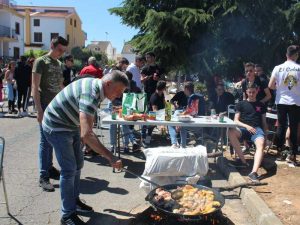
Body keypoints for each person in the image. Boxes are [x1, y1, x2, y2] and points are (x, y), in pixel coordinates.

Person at [42, 71, 126, 225]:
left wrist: (86, 137)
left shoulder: (98, 88)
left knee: (78, 165)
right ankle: (67, 215)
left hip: (71, 124)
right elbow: (87, 134)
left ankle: (73, 201)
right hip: (56, 125)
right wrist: (111, 157)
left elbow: (86, 128)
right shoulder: (91, 94)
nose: (119, 95)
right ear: (108, 84)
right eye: (119, 91)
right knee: (69, 169)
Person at [32, 36, 68, 192]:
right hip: (45, 106)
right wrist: (39, 109)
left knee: (53, 139)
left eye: (63, 51)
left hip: (56, 107)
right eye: (59, 49)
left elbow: (60, 86)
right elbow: (35, 86)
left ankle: (49, 167)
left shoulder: (59, 64)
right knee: (45, 141)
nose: (61, 53)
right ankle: (43, 176)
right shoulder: (41, 61)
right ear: (52, 45)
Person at [228, 83, 268, 182]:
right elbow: (236, 121)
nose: (251, 94)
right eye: (249, 92)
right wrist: (247, 126)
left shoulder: (261, 105)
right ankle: (243, 162)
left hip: (256, 129)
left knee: (261, 143)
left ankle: (253, 172)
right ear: (246, 92)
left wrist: (265, 136)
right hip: (243, 128)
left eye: (253, 92)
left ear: (257, 91)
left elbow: (264, 122)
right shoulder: (241, 104)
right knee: (230, 131)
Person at [269, 45, 300, 163]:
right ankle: (293, 155)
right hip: (296, 102)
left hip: (281, 101)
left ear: (286, 55)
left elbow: (271, 86)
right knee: (294, 127)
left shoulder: (278, 68)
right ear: (296, 55)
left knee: (281, 126)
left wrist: (280, 87)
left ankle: (280, 152)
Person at [169, 82, 205, 148]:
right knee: (178, 116)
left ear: (186, 89)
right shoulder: (199, 96)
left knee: (172, 123)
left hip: (195, 123)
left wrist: (180, 118)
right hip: (200, 121)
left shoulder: (192, 98)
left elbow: (191, 112)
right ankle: (182, 145)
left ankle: (175, 143)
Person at [142, 81, 167, 146]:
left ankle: (148, 140)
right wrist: (161, 122)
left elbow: (164, 104)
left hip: (159, 114)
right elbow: (154, 110)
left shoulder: (162, 94)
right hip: (151, 115)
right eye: (165, 87)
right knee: (150, 129)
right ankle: (146, 142)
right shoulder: (154, 97)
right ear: (163, 88)